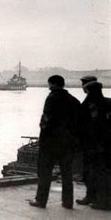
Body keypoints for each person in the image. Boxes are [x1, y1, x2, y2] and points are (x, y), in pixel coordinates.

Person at [29, 75, 80, 209]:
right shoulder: (74, 100)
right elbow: (79, 123)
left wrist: (43, 136)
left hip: (51, 143)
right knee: (67, 173)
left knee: (45, 172)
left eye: (50, 84)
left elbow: (46, 120)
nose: (49, 87)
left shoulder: (52, 98)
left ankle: (41, 200)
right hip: (67, 143)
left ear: (54, 84)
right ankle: (68, 202)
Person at [78, 81, 110, 210]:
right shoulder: (107, 102)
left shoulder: (91, 106)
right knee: (97, 173)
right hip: (101, 145)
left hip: (96, 145)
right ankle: (94, 198)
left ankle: (101, 201)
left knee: (97, 173)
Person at [76, 75, 98, 205]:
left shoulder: (90, 103)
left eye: (84, 84)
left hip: (91, 144)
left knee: (90, 171)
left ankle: (92, 197)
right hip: (96, 143)